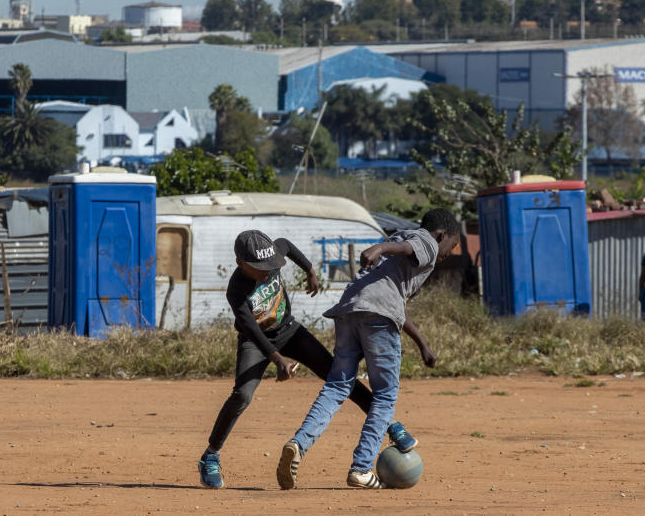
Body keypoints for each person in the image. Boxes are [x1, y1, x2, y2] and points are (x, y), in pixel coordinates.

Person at [197, 229, 426, 489]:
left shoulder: (275, 252)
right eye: (259, 267)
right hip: (257, 342)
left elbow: (286, 245)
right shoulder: (236, 290)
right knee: (242, 395)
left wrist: (310, 271)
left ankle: (389, 423)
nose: (267, 271)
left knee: (339, 376)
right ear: (240, 263)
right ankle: (210, 456)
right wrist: (278, 360)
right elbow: (250, 328)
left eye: (270, 265)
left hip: (290, 330)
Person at [276, 208, 460, 490]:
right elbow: (412, 249)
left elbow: (392, 299)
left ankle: (298, 443)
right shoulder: (427, 242)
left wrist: (422, 342)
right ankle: (361, 468)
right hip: (377, 315)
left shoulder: (402, 239)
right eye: (453, 245)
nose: (450, 252)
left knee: (337, 386)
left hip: (350, 310)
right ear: (442, 235)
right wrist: (381, 247)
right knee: (385, 395)